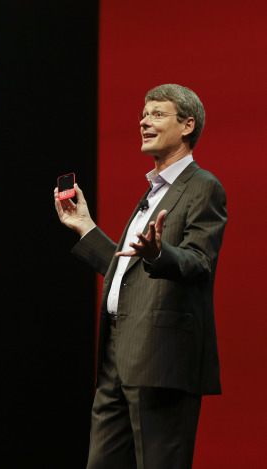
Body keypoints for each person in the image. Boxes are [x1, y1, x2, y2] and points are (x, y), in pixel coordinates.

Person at [54, 84, 227, 469]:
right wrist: (85, 227)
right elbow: (130, 270)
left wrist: (160, 253)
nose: (144, 121)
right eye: (143, 115)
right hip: (117, 357)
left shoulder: (203, 187)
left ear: (187, 125)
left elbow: (200, 262)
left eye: (157, 114)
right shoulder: (153, 192)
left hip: (160, 360)